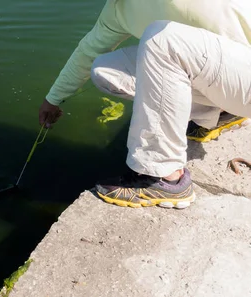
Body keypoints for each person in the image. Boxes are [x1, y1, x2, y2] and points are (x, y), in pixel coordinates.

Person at [39, 0, 251, 209]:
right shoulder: (118, 10)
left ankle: (166, 177)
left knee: (163, 40)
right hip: (232, 79)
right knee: (106, 70)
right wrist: (53, 99)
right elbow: (87, 52)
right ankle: (221, 112)